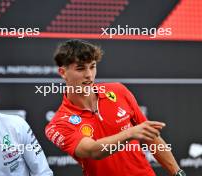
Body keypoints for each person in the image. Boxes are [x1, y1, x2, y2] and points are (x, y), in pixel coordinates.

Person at [45, 39, 186, 176]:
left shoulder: (119, 91)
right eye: (81, 68)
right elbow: (92, 151)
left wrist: (178, 173)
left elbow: (151, 138)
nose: (89, 75)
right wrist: (130, 133)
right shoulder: (57, 124)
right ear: (63, 72)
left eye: (92, 66)